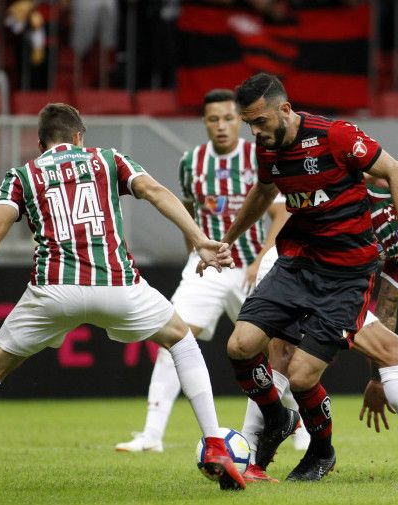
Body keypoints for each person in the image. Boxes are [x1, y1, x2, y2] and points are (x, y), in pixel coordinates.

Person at [0, 103, 247, 495]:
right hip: (118, 284)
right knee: (181, 339)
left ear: (40, 144)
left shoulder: (22, 175)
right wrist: (201, 241)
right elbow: (153, 191)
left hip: (53, 290)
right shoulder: (108, 158)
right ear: (79, 136)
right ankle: (217, 448)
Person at [198, 72, 398, 485]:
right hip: (298, 263)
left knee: (301, 376)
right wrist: (227, 240)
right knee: (240, 346)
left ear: (285, 109)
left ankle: (322, 452)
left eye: (260, 121)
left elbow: (397, 174)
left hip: (346, 274)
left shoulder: (336, 136)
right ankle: (276, 417)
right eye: (249, 123)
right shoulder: (267, 150)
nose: (254, 131)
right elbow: (263, 194)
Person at [242, 160, 398, 481]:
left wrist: (377, 378)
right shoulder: (384, 189)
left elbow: (387, 307)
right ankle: (249, 455)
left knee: (390, 352)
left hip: (332, 288)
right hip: (293, 264)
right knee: (282, 361)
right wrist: (372, 169)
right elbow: (340, 168)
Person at [114, 88, 309, 454]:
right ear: (204, 122)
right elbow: (186, 210)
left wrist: (260, 259)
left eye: (228, 118)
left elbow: (280, 212)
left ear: (241, 121)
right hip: (210, 268)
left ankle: (298, 422)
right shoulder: (191, 162)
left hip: (255, 265)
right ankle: (152, 434)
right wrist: (197, 255)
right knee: (174, 336)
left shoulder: (259, 154)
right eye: (213, 119)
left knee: (277, 347)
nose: (221, 126)